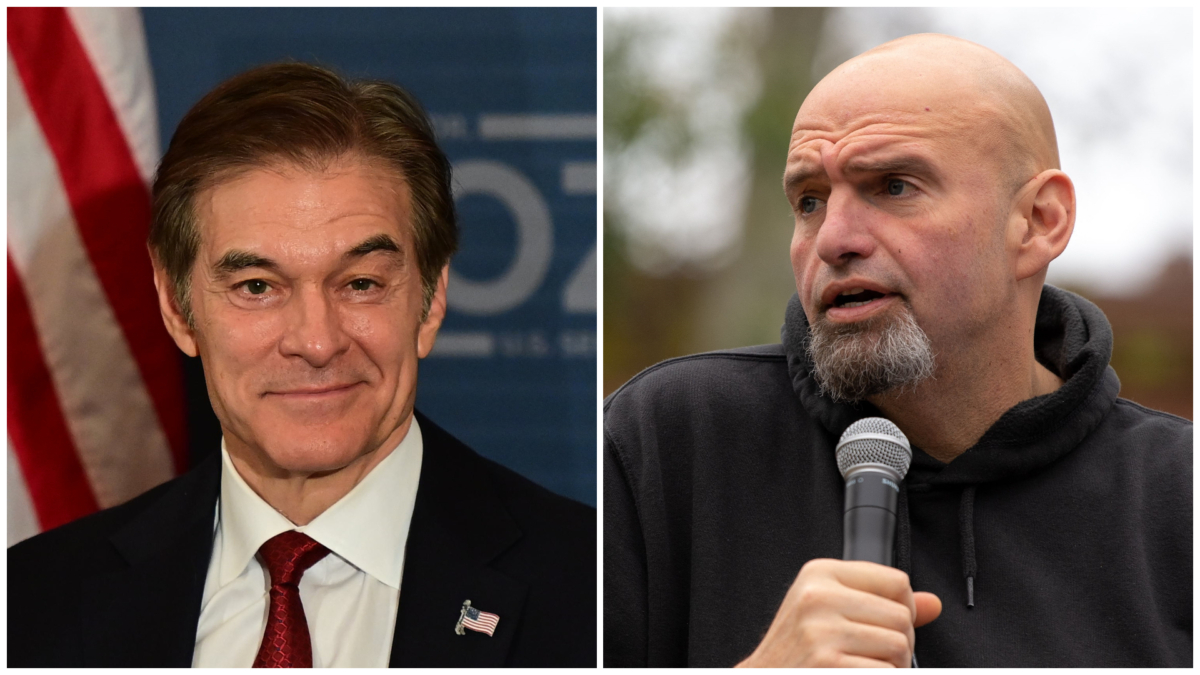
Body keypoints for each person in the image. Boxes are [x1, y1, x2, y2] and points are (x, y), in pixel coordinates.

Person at [604, 33, 1191, 668]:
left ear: (1039, 221)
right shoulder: (669, 443)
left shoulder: (1176, 497)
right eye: (809, 200)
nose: (833, 239)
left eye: (893, 187)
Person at [9, 62, 595, 667]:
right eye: (258, 287)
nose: (317, 342)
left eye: (361, 282)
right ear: (177, 306)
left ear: (431, 299)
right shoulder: (30, 606)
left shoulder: (598, 590)